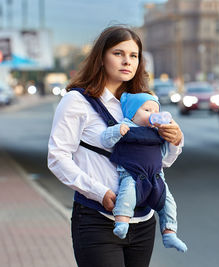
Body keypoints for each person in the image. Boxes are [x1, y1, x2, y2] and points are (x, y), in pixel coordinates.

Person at [47, 25, 184, 267]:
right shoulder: (77, 101)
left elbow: (156, 164)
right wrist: (100, 193)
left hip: (143, 223)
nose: (127, 61)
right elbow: (58, 158)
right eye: (118, 53)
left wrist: (174, 141)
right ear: (101, 58)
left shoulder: (144, 105)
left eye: (133, 56)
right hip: (96, 220)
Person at [100, 91, 187, 253]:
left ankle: (169, 232)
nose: (152, 114)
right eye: (147, 110)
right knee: (127, 196)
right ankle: (121, 222)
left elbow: (166, 158)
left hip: (156, 177)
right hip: (132, 174)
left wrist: (174, 139)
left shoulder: (157, 131)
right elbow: (105, 140)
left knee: (168, 203)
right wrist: (116, 131)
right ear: (132, 113)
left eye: (155, 111)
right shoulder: (125, 126)